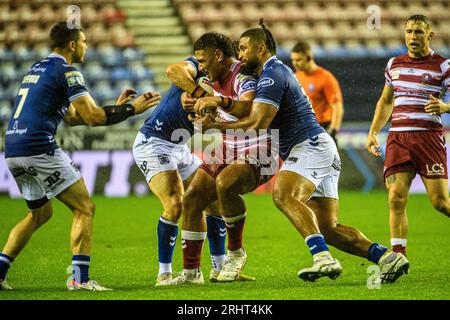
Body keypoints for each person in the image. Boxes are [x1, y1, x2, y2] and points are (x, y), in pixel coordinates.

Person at [194, 22, 409, 283]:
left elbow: (257, 123)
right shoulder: (271, 73)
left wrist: (216, 122)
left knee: (283, 195)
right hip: (320, 148)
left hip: (310, 146)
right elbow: (249, 113)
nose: (239, 56)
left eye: (243, 49)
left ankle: (323, 259)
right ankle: (387, 257)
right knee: (328, 229)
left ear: (260, 49)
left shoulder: (272, 74)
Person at [0, 21, 160, 291]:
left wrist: (116, 108)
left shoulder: (36, 70)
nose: (86, 46)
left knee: (39, 214)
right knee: (85, 207)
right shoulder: (67, 71)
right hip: (39, 147)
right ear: (72, 45)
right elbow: (94, 117)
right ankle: (80, 279)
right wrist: (132, 110)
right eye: (84, 41)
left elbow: (74, 118)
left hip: (14, 148)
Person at [157, 32, 272, 286]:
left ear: (219, 55)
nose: (200, 67)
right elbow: (219, 111)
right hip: (230, 145)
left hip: (262, 147)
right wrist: (205, 115)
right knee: (193, 196)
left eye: (203, 60)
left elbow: (247, 109)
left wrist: (215, 102)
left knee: (225, 184)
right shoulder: (213, 77)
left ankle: (235, 254)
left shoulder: (242, 75)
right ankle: (190, 274)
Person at [133, 48, 229, 286]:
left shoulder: (226, 86)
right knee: (175, 204)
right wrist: (195, 93)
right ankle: (164, 273)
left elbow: (211, 125)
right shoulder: (196, 68)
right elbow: (172, 70)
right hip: (154, 142)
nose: (203, 65)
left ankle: (220, 268)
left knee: (214, 201)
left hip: (179, 146)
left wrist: (206, 116)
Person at [367, 14, 450, 257]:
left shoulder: (443, 66)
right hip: (398, 138)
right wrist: (373, 132)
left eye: (419, 32)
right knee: (395, 198)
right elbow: (386, 101)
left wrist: (445, 107)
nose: (413, 37)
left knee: (440, 203)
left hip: (428, 139)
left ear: (430, 35)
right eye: (410, 32)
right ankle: (398, 256)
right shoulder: (394, 64)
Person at [291, 41, 344, 146]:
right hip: (303, 131)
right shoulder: (295, 77)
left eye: (298, 60)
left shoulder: (326, 78)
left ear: (309, 58)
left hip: (322, 128)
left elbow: (337, 107)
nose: (295, 63)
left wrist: (333, 131)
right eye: (293, 60)